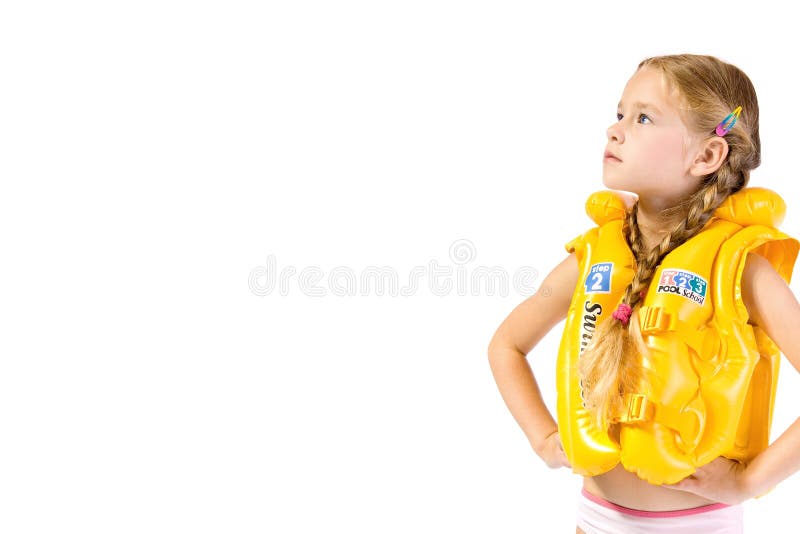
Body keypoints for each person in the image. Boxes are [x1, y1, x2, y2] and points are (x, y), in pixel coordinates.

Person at [488, 53, 800, 533]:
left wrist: (749, 482)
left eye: (643, 117)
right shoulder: (593, 258)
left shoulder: (740, 270)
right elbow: (506, 346)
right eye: (619, 115)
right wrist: (545, 439)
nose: (615, 131)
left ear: (706, 156)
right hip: (594, 521)